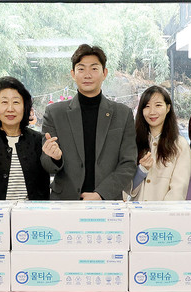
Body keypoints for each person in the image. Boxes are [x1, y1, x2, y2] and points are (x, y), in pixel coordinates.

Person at [40, 44, 137, 200]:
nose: (87, 75)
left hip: (107, 202)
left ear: (104, 73)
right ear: (73, 74)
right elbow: (46, 163)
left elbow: (128, 163)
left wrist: (101, 194)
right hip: (65, 202)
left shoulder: (122, 114)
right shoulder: (54, 113)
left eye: (94, 68)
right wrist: (54, 158)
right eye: (81, 69)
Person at [0, 76, 51, 200]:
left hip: (31, 211)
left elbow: (44, 184)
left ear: (25, 106)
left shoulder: (37, 140)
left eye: (16, 102)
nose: (10, 109)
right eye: (4, 102)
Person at [129, 85, 190, 201]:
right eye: (147, 106)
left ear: (168, 108)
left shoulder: (180, 145)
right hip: (136, 210)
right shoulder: (133, 141)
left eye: (158, 105)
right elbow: (126, 189)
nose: (152, 112)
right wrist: (141, 170)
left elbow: (178, 190)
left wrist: (161, 211)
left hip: (165, 212)